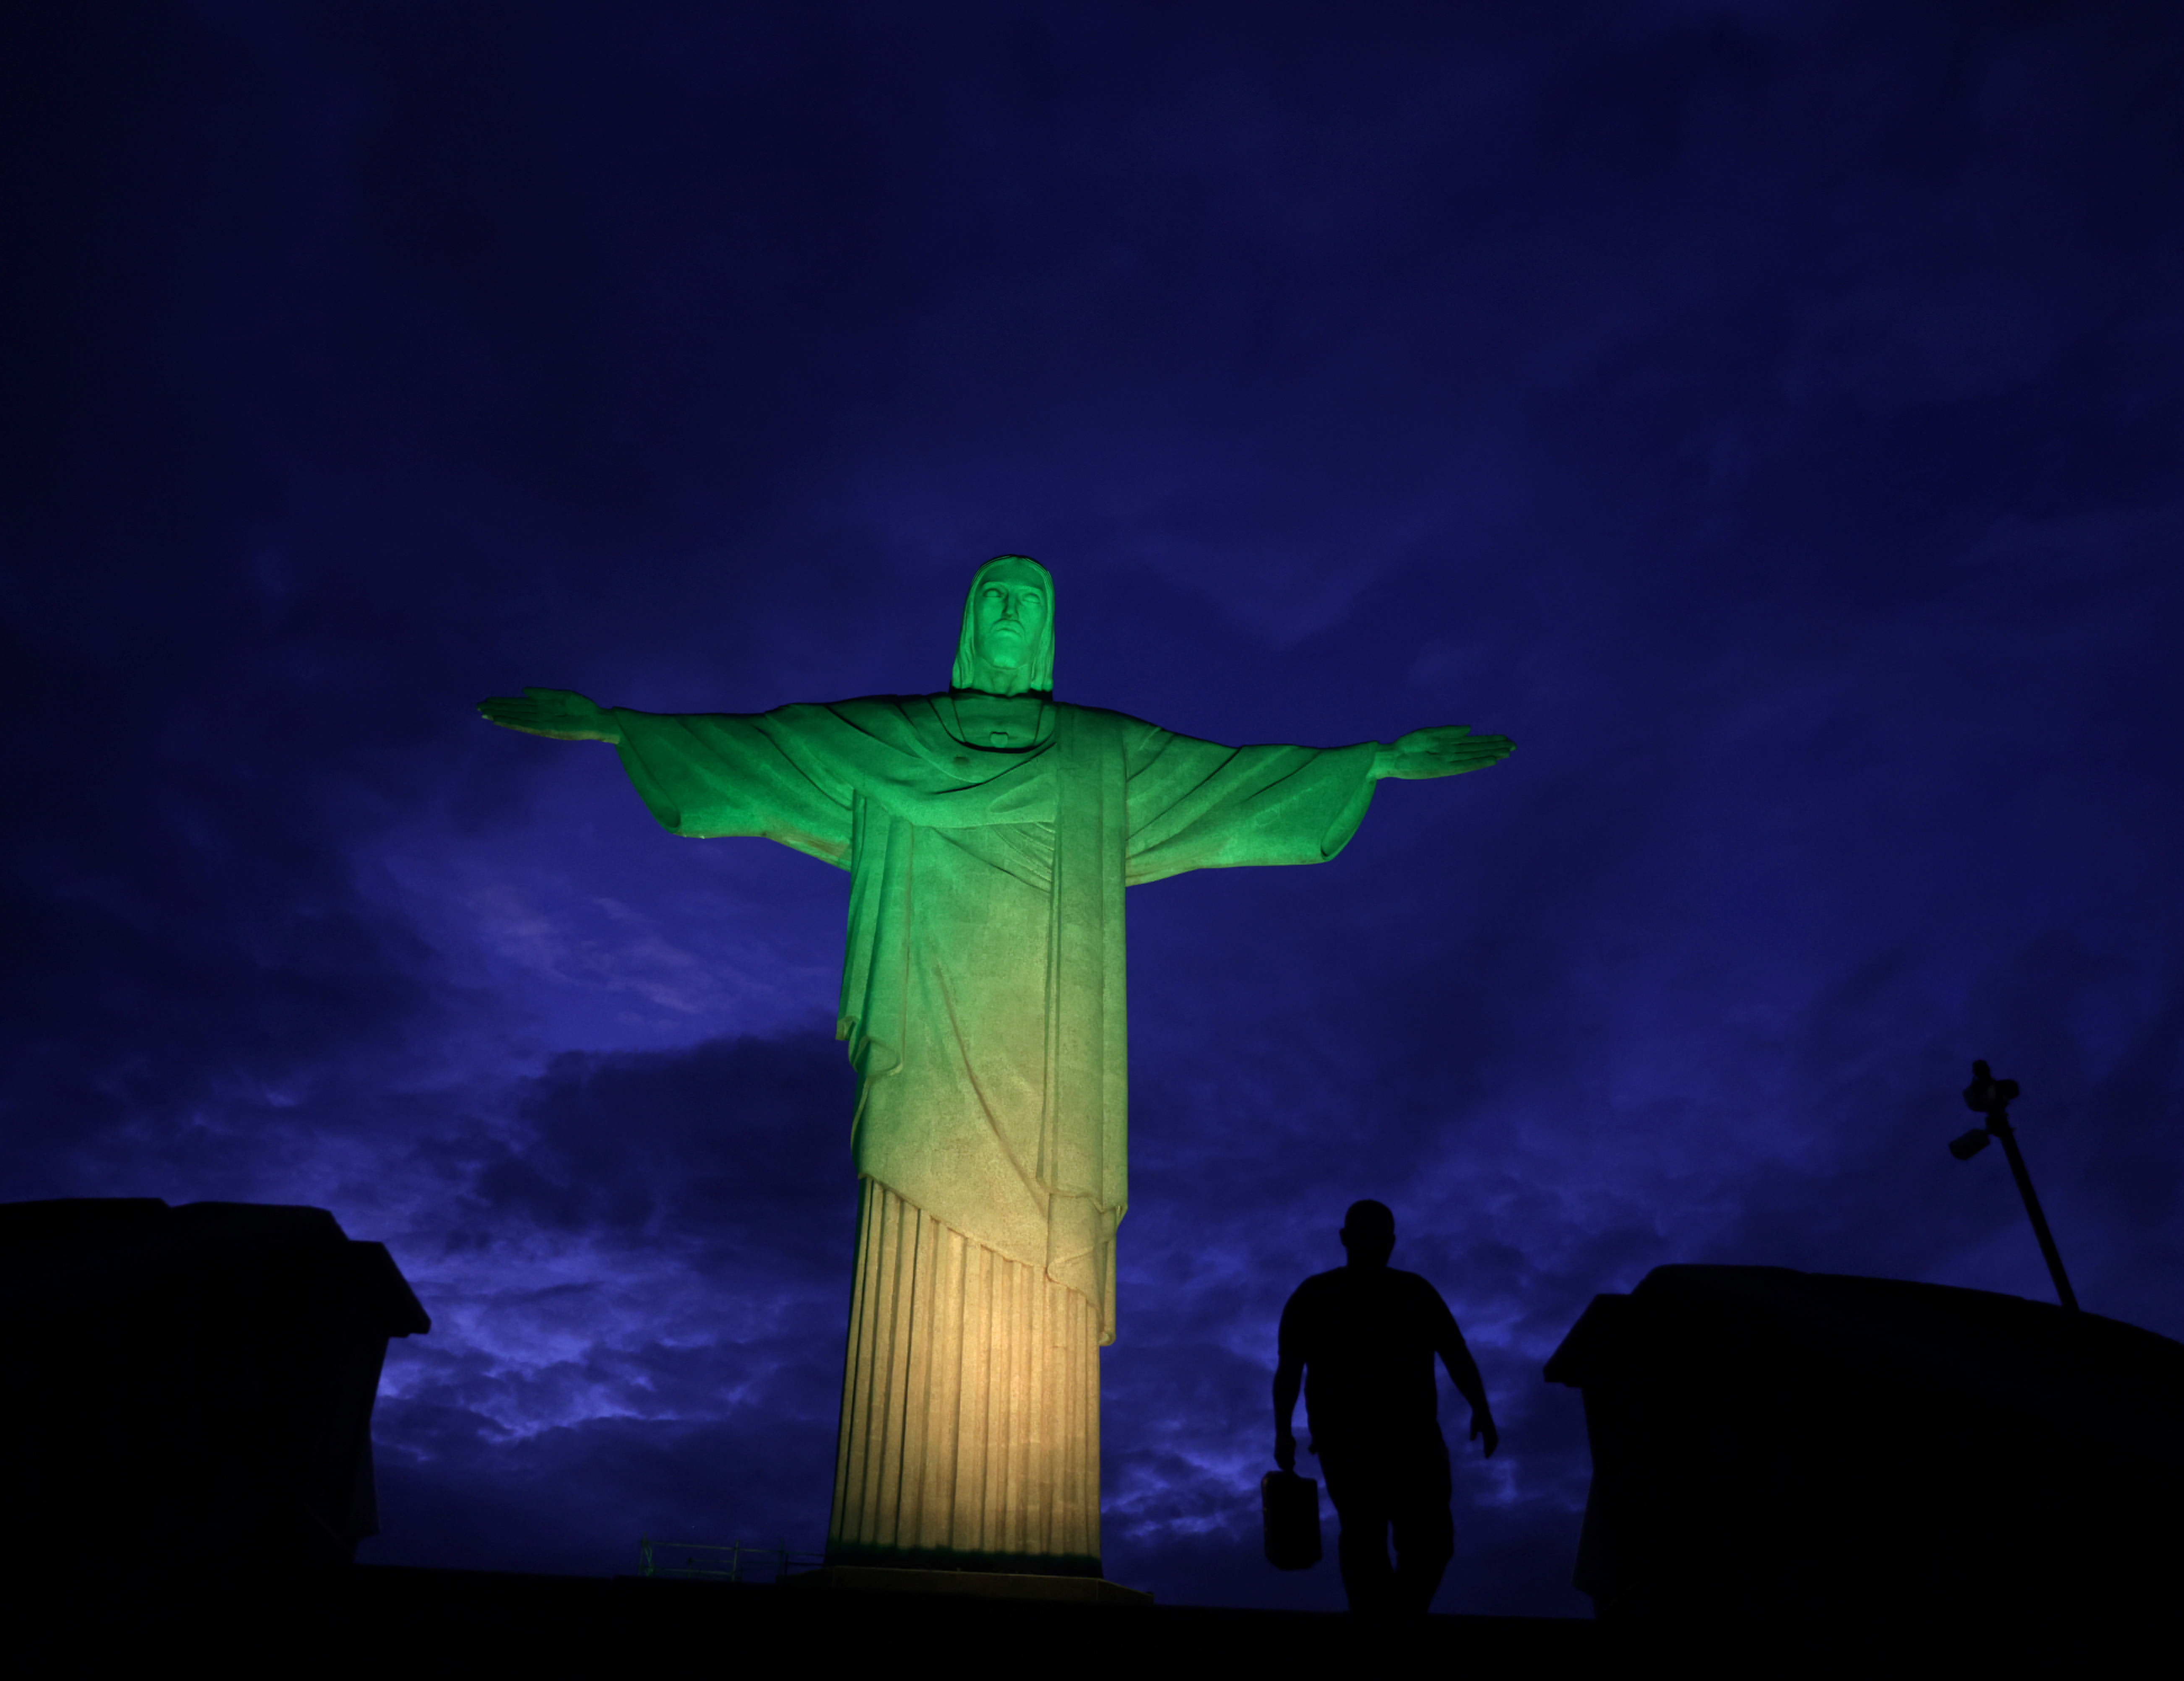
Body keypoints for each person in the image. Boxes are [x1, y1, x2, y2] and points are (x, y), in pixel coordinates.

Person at [480, 557, 1514, 1576]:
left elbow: (1229, 779)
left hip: (1052, 1073)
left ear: (1050, 628)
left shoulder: (1097, 757)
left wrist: (1368, 763)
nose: (1014, 615)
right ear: (974, 621)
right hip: (927, 1037)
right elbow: (777, 747)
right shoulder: (897, 740)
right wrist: (625, 727)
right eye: (997, 601)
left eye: (1032, 603)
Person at [1275, 1199, 1497, 1616]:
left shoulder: (1415, 1292)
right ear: (1346, 1238)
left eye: (1382, 1236)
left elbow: (1455, 1352)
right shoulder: (1315, 1296)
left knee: (1432, 1539)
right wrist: (1283, 1430)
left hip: (1414, 1435)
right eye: (1365, 1233)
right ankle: (1379, 1621)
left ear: (1391, 1241)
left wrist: (1481, 1407)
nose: (1375, 1244)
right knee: (1364, 1531)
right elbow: (1289, 1369)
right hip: (1346, 1436)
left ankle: (1394, 1616)